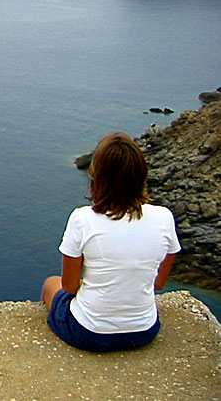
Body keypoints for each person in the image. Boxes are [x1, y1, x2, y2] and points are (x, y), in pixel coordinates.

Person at [41, 132, 180, 352]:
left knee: (52, 284)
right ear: (141, 175)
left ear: (97, 178)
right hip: (144, 331)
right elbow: (158, 284)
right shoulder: (164, 217)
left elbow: (69, 286)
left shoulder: (82, 218)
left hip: (88, 333)